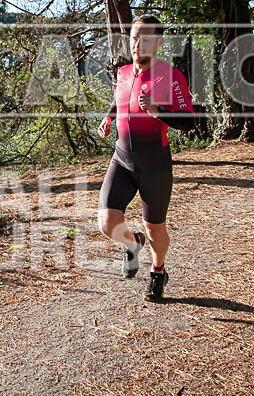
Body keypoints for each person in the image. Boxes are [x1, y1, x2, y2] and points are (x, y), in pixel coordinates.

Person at [97, 15, 195, 301]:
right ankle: (132, 244)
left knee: (156, 230)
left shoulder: (170, 75)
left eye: (146, 38)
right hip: (122, 159)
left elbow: (189, 121)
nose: (138, 44)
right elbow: (120, 98)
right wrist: (108, 117)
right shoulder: (124, 72)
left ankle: (158, 270)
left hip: (154, 164)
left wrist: (158, 111)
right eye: (134, 38)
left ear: (160, 42)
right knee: (107, 223)